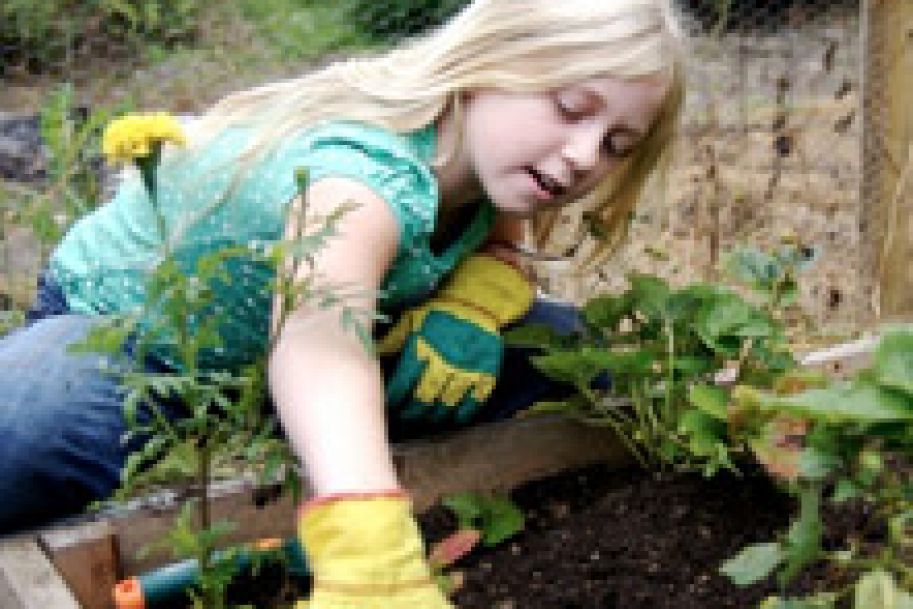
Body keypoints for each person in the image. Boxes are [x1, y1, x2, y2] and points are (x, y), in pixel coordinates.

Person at [0, 0, 685, 606]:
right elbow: (321, 342)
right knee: (26, 428)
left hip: (319, 347)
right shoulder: (364, 178)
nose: (579, 156)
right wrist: (366, 538)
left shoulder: (497, 167)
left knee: (576, 356)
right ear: (487, 64)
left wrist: (470, 307)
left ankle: (342, 460)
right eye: (570, 108)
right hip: (133, 333)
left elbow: (499, 247)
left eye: (614, 145)